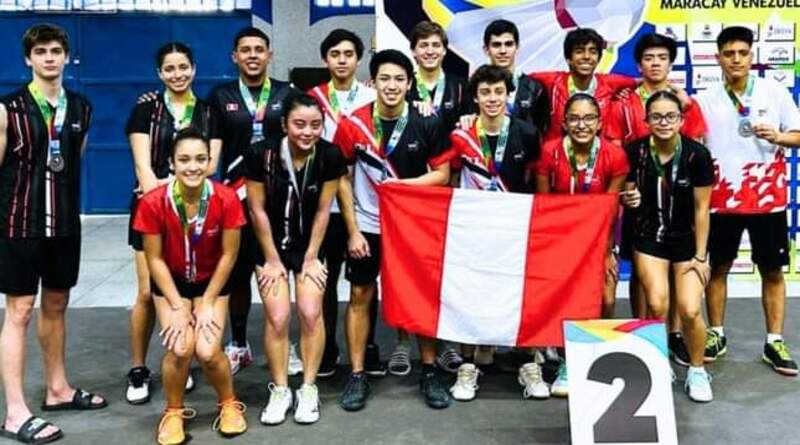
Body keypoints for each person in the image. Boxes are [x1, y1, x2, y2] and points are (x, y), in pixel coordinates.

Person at [0, 23, 106, 445]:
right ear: (28, 59)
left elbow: (70, 163)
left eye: (55, 51)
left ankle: (58, 389)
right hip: (18, 224)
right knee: (19, 310)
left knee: (57, 304)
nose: (49, 58)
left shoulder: (81, 108)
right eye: (41, 51)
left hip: (62, 224)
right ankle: (15, 412)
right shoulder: (8, 110)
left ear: (66, 56)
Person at [333, 50, 452, 411]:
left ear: (410, 83)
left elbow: (443, 174)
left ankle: (429, 370)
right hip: (368, 225)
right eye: (384, 78)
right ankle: (357, 374)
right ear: (373, 82)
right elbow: (342, 177)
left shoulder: (426, 121)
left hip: (412, 225)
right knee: (360, 294)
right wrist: (353, 230)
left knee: (421, 294)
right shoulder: (353, 124)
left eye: (400, 79)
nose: (392, 85)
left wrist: (403, 188)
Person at [696, 26, 800, 376]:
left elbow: (798, 135)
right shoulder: (705, 98)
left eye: (742, 53)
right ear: (718, 58)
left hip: (767, 198)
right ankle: (716, 333)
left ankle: (774, 341)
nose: (736, 59)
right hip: (721, 198)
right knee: (718, 268)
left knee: (772, 270)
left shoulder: (774, 91)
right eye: (729, 54)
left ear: (751, 55)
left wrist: (780, 136)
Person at [134, 128, 247, 444]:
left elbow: (230, 254)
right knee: (181, 348)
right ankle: (173, 411)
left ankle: (228, 403)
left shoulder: (226, 198)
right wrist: (177, 306)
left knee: (208, 352)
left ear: (210, 162)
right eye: (184, 160)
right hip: (172, 283)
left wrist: (207, 302)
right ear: (172, 163)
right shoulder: (153, 202)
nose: (193, 167)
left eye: (200, 159)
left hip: (212, 283)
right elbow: (154, 259)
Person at [124, 41, 219, 405]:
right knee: (147, 292)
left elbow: (209, 166)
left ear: (194, 69)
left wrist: (176, 184)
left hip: (197, 212)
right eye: (170, 69)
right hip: (151, 210)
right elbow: (143, 167)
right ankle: (138, 367)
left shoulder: (208, 112)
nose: (177, 74)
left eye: (183, 67)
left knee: (184, 288)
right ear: (159, 73)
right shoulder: (145, 109)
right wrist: (166, 188)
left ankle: (180, 358)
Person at [604, 32, 706, 367]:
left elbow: (697, 142)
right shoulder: (623, 101)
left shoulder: (685, 103)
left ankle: (674, 334)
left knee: (678, 273)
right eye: (649, 58)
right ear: (639, 64)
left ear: (671, 63)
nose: (655, 63)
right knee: (641, 271)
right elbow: (616, 151)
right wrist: (626, 190)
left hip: (678, 196)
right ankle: (642, 331)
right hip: (639, 194)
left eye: (662, 58)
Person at [446, 64, 546, 402]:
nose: (492, 98)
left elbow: (533, 180)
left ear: (508, 95)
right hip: (471, 228)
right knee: (470, 293)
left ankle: (528, 362)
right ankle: (467, 365)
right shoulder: (460, 134)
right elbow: (450, 178)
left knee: (521, 293)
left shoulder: (527, 133)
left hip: (513, 227)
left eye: (499, 92)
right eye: (485, 92)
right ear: (475, 97)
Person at [246, 93, 346, 425]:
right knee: (278, 317)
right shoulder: (261, 154)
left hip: (310, 246)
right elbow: (256, 209)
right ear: (284, 124)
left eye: (315, 125)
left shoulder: (330, 155)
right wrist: (272, 259)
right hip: (270, 245)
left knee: (311, 312)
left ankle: (308, 387)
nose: (307, 132)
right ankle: (280, 390)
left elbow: (323, 211)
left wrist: (312, 256)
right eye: (299, 124)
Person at [207, 27, 296, 376]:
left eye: (259, 49)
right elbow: (211, 148)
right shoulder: (220, 96)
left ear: (270, 55)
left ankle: (286, 344)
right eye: (245, 50)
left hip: (277, 198)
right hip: (235, 198)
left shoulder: (287, 93)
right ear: (235, 56)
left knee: (279, 271)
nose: (253, 55)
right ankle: (240, 344)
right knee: (238, 272)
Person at [621, 90, 715, 402]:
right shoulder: (635, 152)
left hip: (686, 242)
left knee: (689, 309)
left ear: (681, 120)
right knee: (658, 304)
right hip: (649, 238)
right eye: (657, 117)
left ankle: (697, 371)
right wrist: (629, 197)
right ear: (646, 120)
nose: (664, 122)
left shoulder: (696, 155)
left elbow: (702, 209)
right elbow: (627, 193)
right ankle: (657, 362)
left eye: (671, 116)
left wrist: (701, 256)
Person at [534, 93, 629, 397]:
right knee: (563, 298)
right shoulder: (550, 151)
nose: (581, 125)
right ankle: (566, 360)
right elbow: (544, 205)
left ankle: (593, 353)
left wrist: (606, 252)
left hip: (599, 237)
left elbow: (610, 209)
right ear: (563, 123)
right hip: (559, 237)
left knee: (606, 298)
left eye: (589, 118)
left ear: (600, 123)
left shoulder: (615, 155)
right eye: (574, 118)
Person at [389, 20, 468, 377]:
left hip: (451, 182)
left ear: (445, 49)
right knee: (406, 266)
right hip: (411, 183)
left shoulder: (460, 85)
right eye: (423, 45)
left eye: (436, 45)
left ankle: (445, 339)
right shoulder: (404, 85)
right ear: (413, 50)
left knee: (444, 267)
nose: (430, 51)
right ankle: (404, 341)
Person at [306, 29, 381, 379]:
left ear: (358, 59)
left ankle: (367, 346)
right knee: (326, 277)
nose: (342, 60)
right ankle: (327, 348)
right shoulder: (311, 99)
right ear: (325, 59)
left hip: (362, 205)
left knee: (364, 281)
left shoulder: (373, 96)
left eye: (348, 54)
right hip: (323, 206)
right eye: (335, 54)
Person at [530, 27, 636, 144]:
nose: (586, 56)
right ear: (568, 58)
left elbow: (641, 81)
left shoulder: (610, 83)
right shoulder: (552, 81)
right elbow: (520, 80)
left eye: (593, 52)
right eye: (579, 51)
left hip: (597, 153)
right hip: (555, 153)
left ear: (599, 58)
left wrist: (624, 93)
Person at [480, 19, 549, 132]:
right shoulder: (475, 88)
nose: (503, 51)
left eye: (509, 44)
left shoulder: (535, 88)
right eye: (496, 45)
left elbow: (542, 132)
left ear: (517, 48)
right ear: (486, 50)